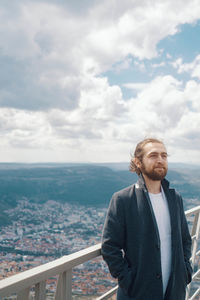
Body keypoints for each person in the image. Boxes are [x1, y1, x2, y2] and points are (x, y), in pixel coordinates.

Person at [101, 138, 193, 300]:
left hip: (174, 291)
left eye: (164, 156)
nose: (160, 160)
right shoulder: (123, 199)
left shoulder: (175, 198)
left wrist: (185, 271)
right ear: (138, 162)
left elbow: (185, 239)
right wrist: (128, 280)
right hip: (138, 292)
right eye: (153, 155)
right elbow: (110, 246)